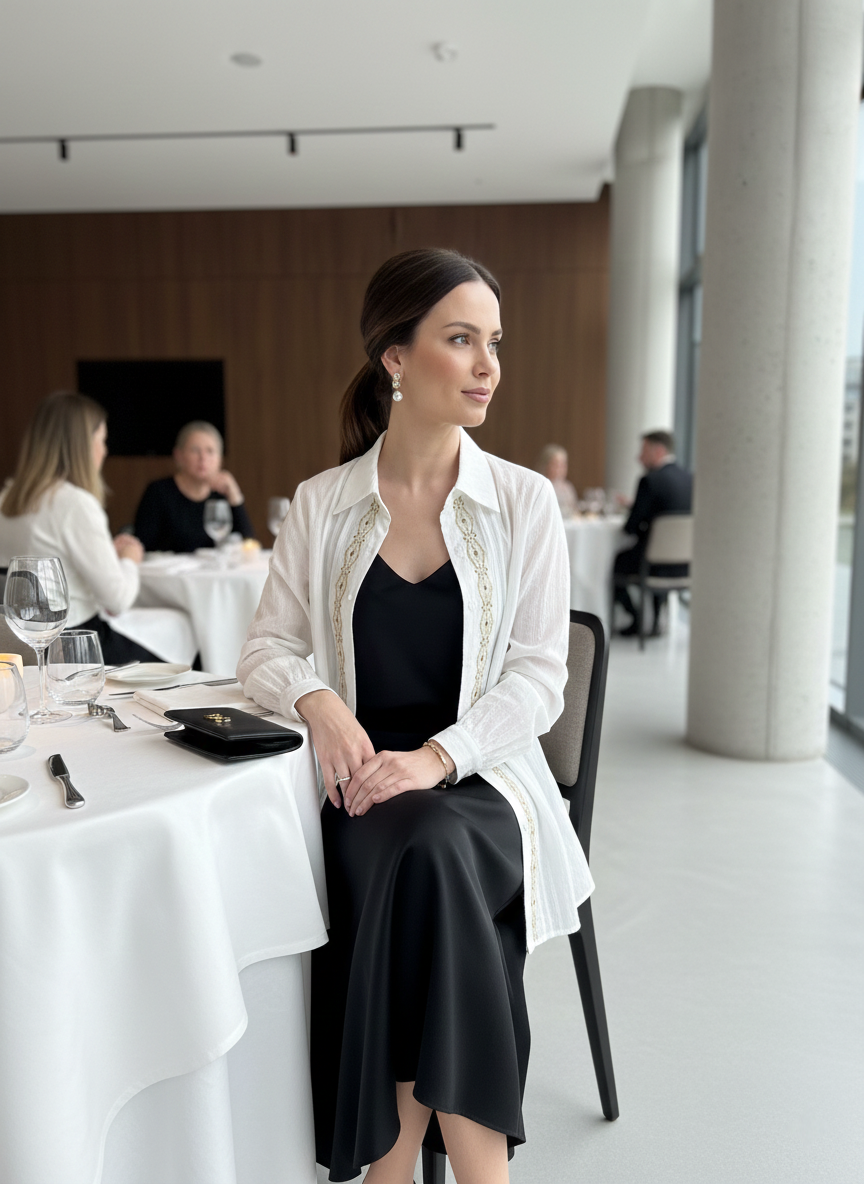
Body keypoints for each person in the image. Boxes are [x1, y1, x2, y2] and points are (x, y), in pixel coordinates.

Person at [237, 248, 593, 1184]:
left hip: (483, 793)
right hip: (361, 798)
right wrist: (316, 701)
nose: (488, 366)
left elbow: (539, 677)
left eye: (494, 343)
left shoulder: (523, 502)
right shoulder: (322, 505)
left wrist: (441, 755)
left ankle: (394, 1166)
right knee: (412, 852)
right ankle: (481, 1165)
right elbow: (265, 652)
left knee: (428, 844)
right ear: (396, 357)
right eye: (461, 340)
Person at [0, 391, 163, 664]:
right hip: (74, 647)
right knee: (180, 671)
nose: (105, 450)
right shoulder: (74, 504)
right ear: (82, 446)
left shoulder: (5, 500)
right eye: (102, 440)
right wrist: (129, 559)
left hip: (15, 646)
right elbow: (118, 600)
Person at [613, 429, 693, 636]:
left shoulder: (650, 481)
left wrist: (634, 512)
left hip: (652, 564)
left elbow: (630, 527)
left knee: (618, 563)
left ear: (658, 451)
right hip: (684, 564)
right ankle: (656, 621)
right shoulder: (690, 479)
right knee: (653, 555)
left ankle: (636, 618)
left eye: (643, 451)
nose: (638, 457)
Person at [133, 421, 255, 552]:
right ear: (179, 456)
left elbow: (249, 544)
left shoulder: (221, 494)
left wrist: (235, 496)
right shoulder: (158, 492)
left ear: (220, 459)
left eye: (210, 451)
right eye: (195, 450)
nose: (203, 458)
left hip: (212, 571)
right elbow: (141, 545)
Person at [537, 443, 579, 517]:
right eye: (556, 465)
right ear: (546, 465)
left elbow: (574, 511)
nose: (560, 469)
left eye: (563, 465)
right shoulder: (540, 486)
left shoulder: (567, 487)